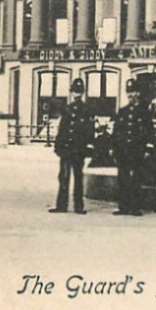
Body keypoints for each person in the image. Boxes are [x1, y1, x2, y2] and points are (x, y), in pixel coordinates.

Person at [110, 78, 156, 217]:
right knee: (122, 178)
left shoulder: (144, 112)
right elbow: (116, 131)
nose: (131, 95)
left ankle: (135, 207)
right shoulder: (122, 112)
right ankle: (123, 206)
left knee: (136, 178)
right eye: (129, 92)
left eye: (134, 92)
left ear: (138, 93)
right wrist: (113, 148)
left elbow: (150, 132)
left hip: (137, 150)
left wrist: (148, 149)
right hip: (123, 150)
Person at [49, 78, 95, 215]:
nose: (77, 95)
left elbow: (89, 130)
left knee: (78, 177)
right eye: (75, 92)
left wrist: (88, 146)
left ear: (83, 93)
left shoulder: (86, 109)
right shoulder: (67, 109)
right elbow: (62, 129)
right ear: (71, 93)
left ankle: (78, 206)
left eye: (79, 92)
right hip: (66, 148)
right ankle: (61, 205)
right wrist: (58, 145)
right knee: (63, 176)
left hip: (78, 149)